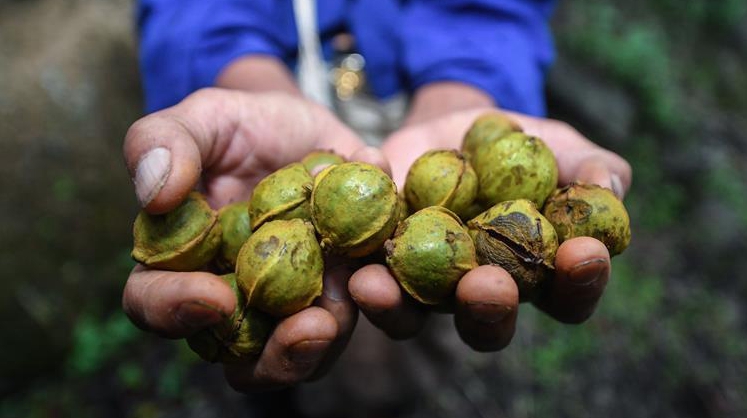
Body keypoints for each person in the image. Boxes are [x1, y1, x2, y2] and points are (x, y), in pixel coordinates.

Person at [123, 0, 632, 395]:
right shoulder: (308, 216)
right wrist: (237, 72)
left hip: (417, 114)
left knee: (381, 370)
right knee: (281, 358)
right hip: (290, 94)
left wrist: (469, 86)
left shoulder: (434, 204)